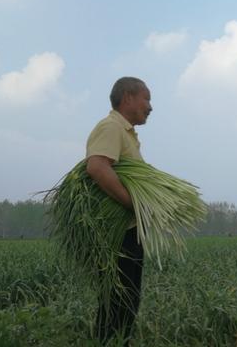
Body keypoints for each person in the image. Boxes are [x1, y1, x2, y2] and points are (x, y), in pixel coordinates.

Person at [85, 76, 153, 343]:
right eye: (146, 98)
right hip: (117, 235)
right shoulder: (111, 127)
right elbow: (97, 166)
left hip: (129, 232)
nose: (150, 106)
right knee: (117, 303)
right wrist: (134, 205)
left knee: (127, 301)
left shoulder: (126, 133)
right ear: (128, 98)